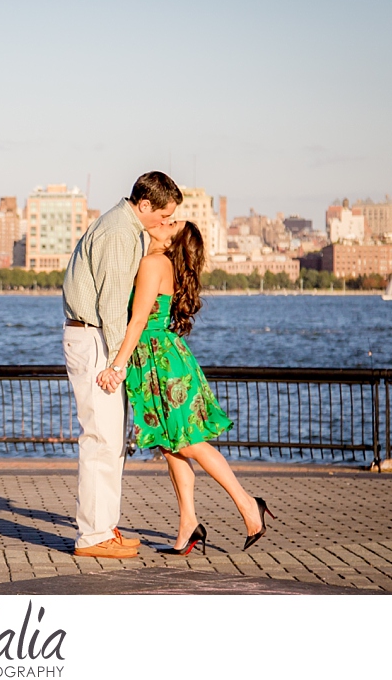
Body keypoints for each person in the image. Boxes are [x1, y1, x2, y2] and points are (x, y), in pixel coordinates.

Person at [97, 220, 275, 555]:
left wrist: (117, 366)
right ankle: (188, 525)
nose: (163, 222)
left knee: (190, 442)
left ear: (172, 239)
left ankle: (250, 505)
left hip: (161, 363)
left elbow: (138, 320)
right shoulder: (155, 261)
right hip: (158, 360)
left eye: (171, 223)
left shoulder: (153, 264)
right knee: (172, 445)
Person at [61, 171, 182, 558]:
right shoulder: (118, 233)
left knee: (110, 439)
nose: (165, 224)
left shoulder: (125, 229)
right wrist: (119, 363)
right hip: (96, 339)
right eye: (164, 216)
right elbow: (113, 305)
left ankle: (103, 527)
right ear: (144, 205)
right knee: (101, 438)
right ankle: (93, 536)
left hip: (96, 337)